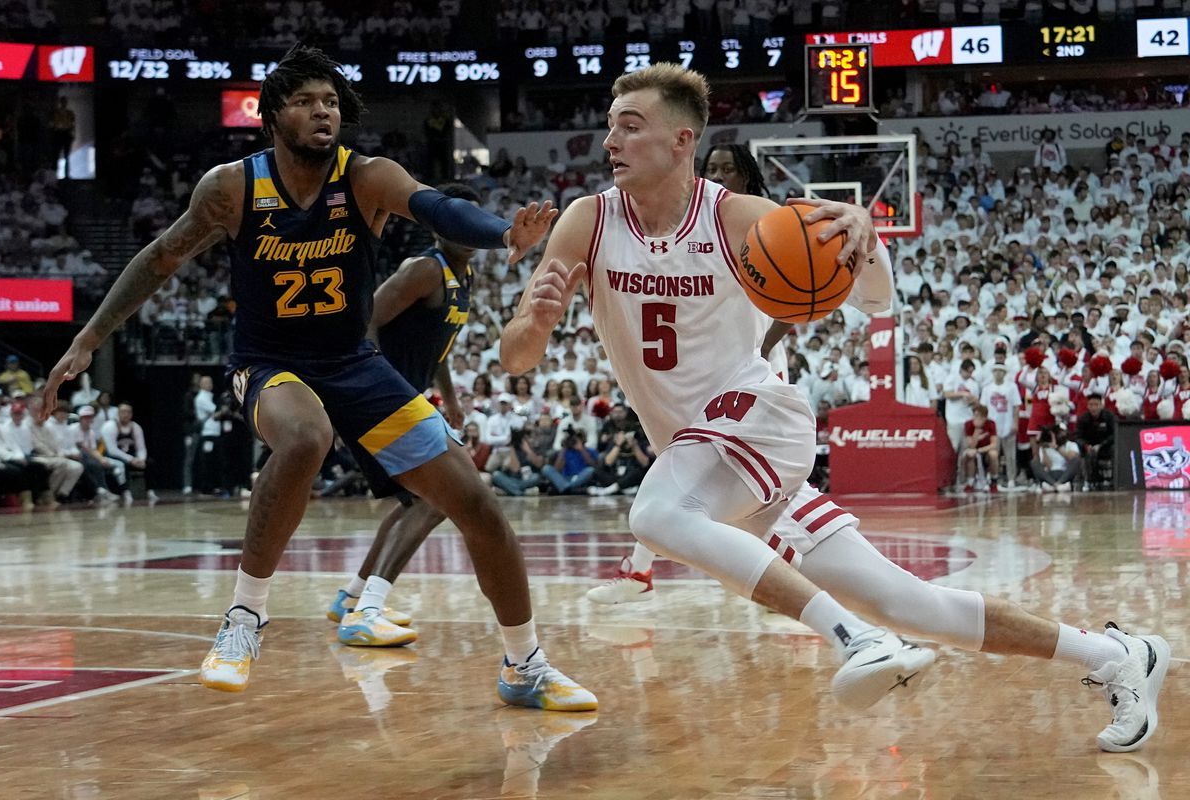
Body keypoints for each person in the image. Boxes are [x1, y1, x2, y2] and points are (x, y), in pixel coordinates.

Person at [501, 63, 1169, 746]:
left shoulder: (740, 219)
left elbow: (876, 303)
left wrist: (866, 241)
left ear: (682, 140)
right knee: (913, 602)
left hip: (759, 415)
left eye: (630, 126)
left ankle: (855, 639)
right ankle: (1118, 656)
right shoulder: (586, 222)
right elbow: (515, 358)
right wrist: (536, 324)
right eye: (610, 125)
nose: (611, 140)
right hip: (710, 460)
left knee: (655, 514)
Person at [41, 44, 594, 711]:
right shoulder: (232, 187)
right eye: (305, 100)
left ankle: (524, 662)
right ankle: (244, 617)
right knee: (305, 437)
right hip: (270, 365)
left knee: (474, 503)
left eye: (330, 100)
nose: (322, 110)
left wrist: (505, 231)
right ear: (274, 115)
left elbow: (438, 209)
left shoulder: (364, 177)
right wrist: (89, 337)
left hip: (357, 367)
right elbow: (161, 258)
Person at [590, 139, 796, 602]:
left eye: (729, 169)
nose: (719, 175)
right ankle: (641, 570)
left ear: (746, 177)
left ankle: (794, 573)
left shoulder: (756, 224)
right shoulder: (686, 223)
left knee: (756, 478)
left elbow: (797, 302)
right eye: (713, 168)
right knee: (683, 464)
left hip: (753, 365)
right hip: (704, 361)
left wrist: (762, 347)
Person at [326, 182, 499, 646]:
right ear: (436, 226)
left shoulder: (464, 278)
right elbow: (363, 318)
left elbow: (437, 349)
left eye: (472, 220)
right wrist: (370, 385)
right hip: (378, 399)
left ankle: (354, 596)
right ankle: (365, 612)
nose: (465, 229)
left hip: (404, 398)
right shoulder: (424, 269)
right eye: (454, 218)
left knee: (416, 500)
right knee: (438, 499)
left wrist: (451, 398)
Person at [101, 402, 156, 502]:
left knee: (150, 462)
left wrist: (141, 459)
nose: (126, 414)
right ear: (118, 413)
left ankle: (150, 491)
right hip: (113, 457)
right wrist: (131, 460)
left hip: (132, 457)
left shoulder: (136, 427)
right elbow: (112, 450)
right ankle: (126, 492)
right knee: (123, 464)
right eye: (123, 412)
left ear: (131, 414)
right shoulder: (110, 426)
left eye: (128, 412)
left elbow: (141, 448)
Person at [1075, 393, 1115, 490]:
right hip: (1088, 447)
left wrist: (1101, 445)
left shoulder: (1109, 416)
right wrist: (1085, 445)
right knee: (1082, 453)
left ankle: (1111, 479)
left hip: (1105, 446)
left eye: (1096, 405)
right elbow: (1077, 436)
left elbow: (1114, 434)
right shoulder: (1083, 419)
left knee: (1114, 449)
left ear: (1101, 405)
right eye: (1091, 405)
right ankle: (1090, 481)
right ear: (1088, 406)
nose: (1093, 408)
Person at [960, 404, 999, 493]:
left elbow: (994, 444)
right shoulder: (968, 424)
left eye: (978, 416)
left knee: (993, 454)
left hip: (985, 449)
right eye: (974, 415)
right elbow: (971, 445)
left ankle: (994, 481)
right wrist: (976, 432)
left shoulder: (991, 424)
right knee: (970, 454)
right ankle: (970, 482)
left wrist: (980, 450)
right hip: (974, 449)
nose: (975, 418)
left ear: (984, 417)